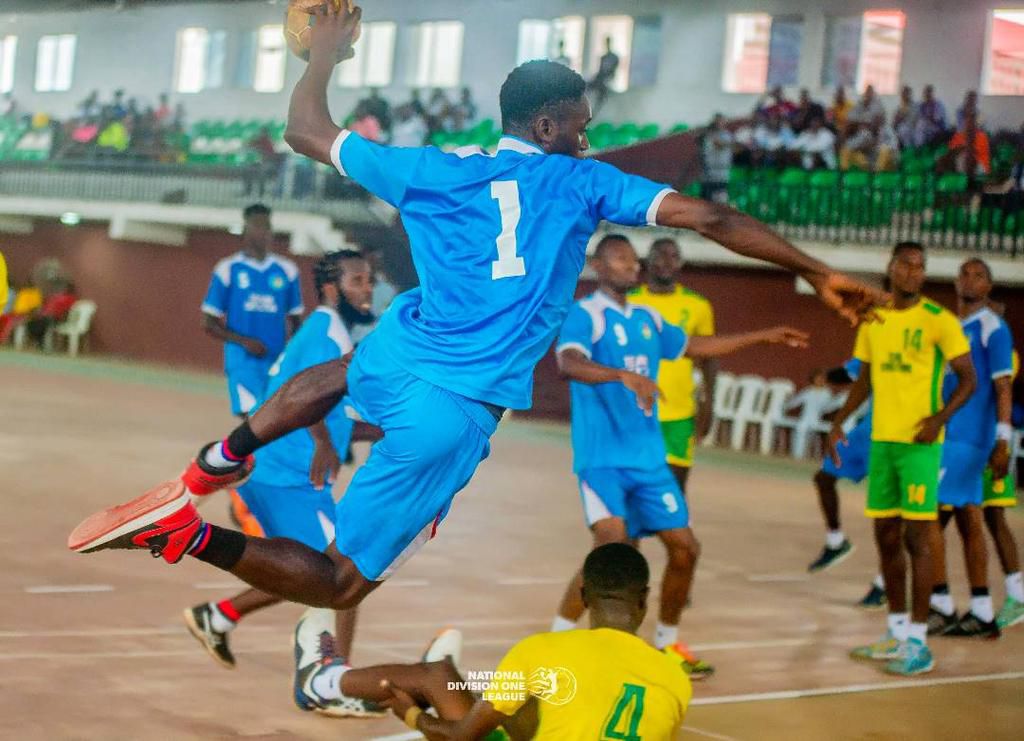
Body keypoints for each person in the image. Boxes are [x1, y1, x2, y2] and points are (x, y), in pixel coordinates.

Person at [70, 7, 885, 708]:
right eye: (578, 123)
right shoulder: (581, 182)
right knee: (336, 580)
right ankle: (184, 531)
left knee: (342, 372)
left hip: (402, 344)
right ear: (546, 128)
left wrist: (324, 55)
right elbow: (710, 217)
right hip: (453, 405)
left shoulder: (433, 167)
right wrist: (816, 272)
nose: (587, 135)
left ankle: (217, 461)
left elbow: (305, 131)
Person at [550, 234, 808, 681]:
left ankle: (667, 643)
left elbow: (696, 347)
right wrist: (621, 375)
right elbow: (568, 363)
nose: (632, 266)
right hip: (603, 460)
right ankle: (559, 642)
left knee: (685, 548)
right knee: (612, 549)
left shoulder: (648, 317)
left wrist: (763, 336)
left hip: (649, 460)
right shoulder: (584, 314)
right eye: (621, 258)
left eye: (633, 259)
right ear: (599, 265)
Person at [185, 251, 382, 718]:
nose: (368, 288)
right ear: (332, 288)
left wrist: (386, 430)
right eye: (358, 280)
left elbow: (334, 411)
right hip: (284, 475)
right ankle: (334, 682)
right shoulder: (326, 332)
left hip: (289, 474)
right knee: (343, 574)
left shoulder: (330, 332)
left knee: (314, 573)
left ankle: (217, 617)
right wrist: (321, 442)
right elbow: (293, 392)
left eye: (370, 280)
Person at [297, 544, 691, 738]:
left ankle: (323, 681)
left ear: (583, 596)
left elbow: (459, 740)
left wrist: (409, 715)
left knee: (437, 678)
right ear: (644, 599)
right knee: (471, 684)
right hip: (541, 710)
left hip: (507, 701)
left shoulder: (542, 651)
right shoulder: (675, 678)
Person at [830, 241, 975, 676]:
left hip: (920, 444)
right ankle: (894, 631)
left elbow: (969, 380)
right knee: (886, 537)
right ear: (890, 268)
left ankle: (918, 639)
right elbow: (866, 379)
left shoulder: (940, 321)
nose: (913, 272)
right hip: (883, 442)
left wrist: (939, 419)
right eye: (906, 264)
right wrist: (839, 420)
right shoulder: (874, 318)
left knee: (919, 538)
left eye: (920, 266)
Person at [927, 259, 1013, 639]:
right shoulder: (955, 326)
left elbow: (1003, 387)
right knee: (967, 520)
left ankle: (942, 604)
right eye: (964, 273)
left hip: (969, 439)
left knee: (926, 516)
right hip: (953, 436)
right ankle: (981, 610)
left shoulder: (993, 328)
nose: (970, 279)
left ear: (990, 285)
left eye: (979, 274)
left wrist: (1003, 440)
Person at [630, 239, 717, 494]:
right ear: (648, 261)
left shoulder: (698, 306)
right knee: (631, 490)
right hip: (633, 410)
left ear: (681, 263)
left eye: (674, 256)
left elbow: (710, 358)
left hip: (679, 412)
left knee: (674, 491)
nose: (667, 261)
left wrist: (709, 404)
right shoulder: (629, 302)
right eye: (660, 255)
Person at [201, 204, 303, 417]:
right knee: (253, 417)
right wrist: (244, 342)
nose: (264, 231)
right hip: (242, 360)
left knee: (273, 420)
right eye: (258, 225)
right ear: (245, 229)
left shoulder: (287, 271)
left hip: (276, 359)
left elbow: (296, 322)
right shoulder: (228, 269)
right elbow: (208, 323)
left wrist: (294, 354)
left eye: (267, 226)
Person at [806, 361, 883, 605]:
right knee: (823, 477)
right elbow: (850, 376)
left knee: (890, 515)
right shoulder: (877, 334)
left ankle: (884, 583)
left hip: (899, 435)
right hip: (867, 430)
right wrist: (823, 376)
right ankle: (836, 541)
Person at [981, 343, 1024, 630]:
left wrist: (1002, 443)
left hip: (987, 446)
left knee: (995, 518)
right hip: (964, 444)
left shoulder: (1004, 354)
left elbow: (1000, 392)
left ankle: (1016, 595)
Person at [947, 112, 990, 177]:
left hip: (979, 165)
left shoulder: (982, 136)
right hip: (960, 162)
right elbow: (951, 147)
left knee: (965, 157)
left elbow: (976, 151)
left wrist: (963, 148)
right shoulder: (960, 134)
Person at [701, 113, 733, 200]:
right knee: (707, 203)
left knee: (720, 202)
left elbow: (721, 145)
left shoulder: (727, 136)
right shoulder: (708, 137)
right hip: (709, 175)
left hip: (722, 175)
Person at [588, 36, 620, 113]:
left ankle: (598, 104)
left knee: (601, 86)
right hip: (601, 77)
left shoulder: (614, 57)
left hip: (608, 77)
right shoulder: (603, 57)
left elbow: (613, 70)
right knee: (591, 84)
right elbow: (600, 70)